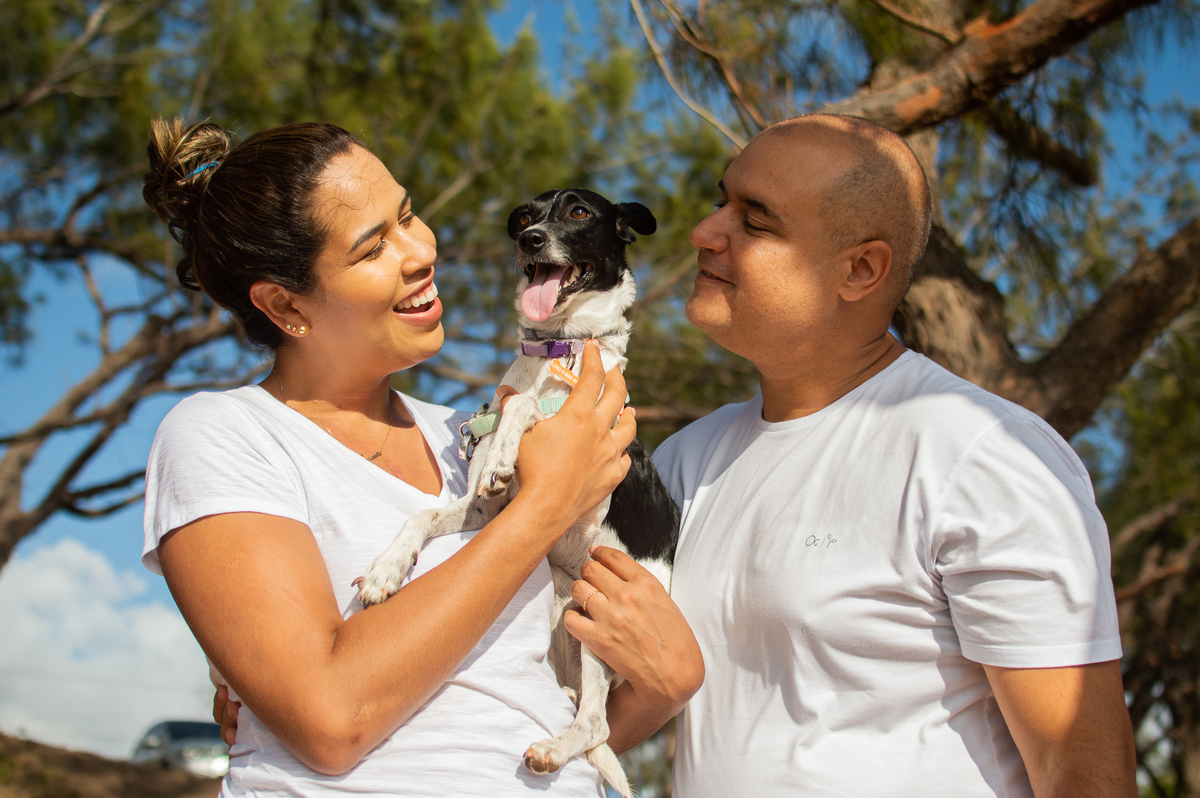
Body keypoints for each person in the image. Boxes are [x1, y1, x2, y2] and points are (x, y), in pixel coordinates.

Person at [568, 114, 1137, 797]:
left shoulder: (983, 456)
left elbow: (1084, 774)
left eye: (756, 220)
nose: (705, 231)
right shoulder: (687, 460)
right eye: (723, 200)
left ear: (861, 270)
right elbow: (600, 710)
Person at [140, 117, 702, 797]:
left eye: (408, 215)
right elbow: (330, 720)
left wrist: (664, 687)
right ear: (284, 303)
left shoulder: (474, 435)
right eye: (374, 247)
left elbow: (532, 707)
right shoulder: (226, 435)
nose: (421, 252)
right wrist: (543, 502)